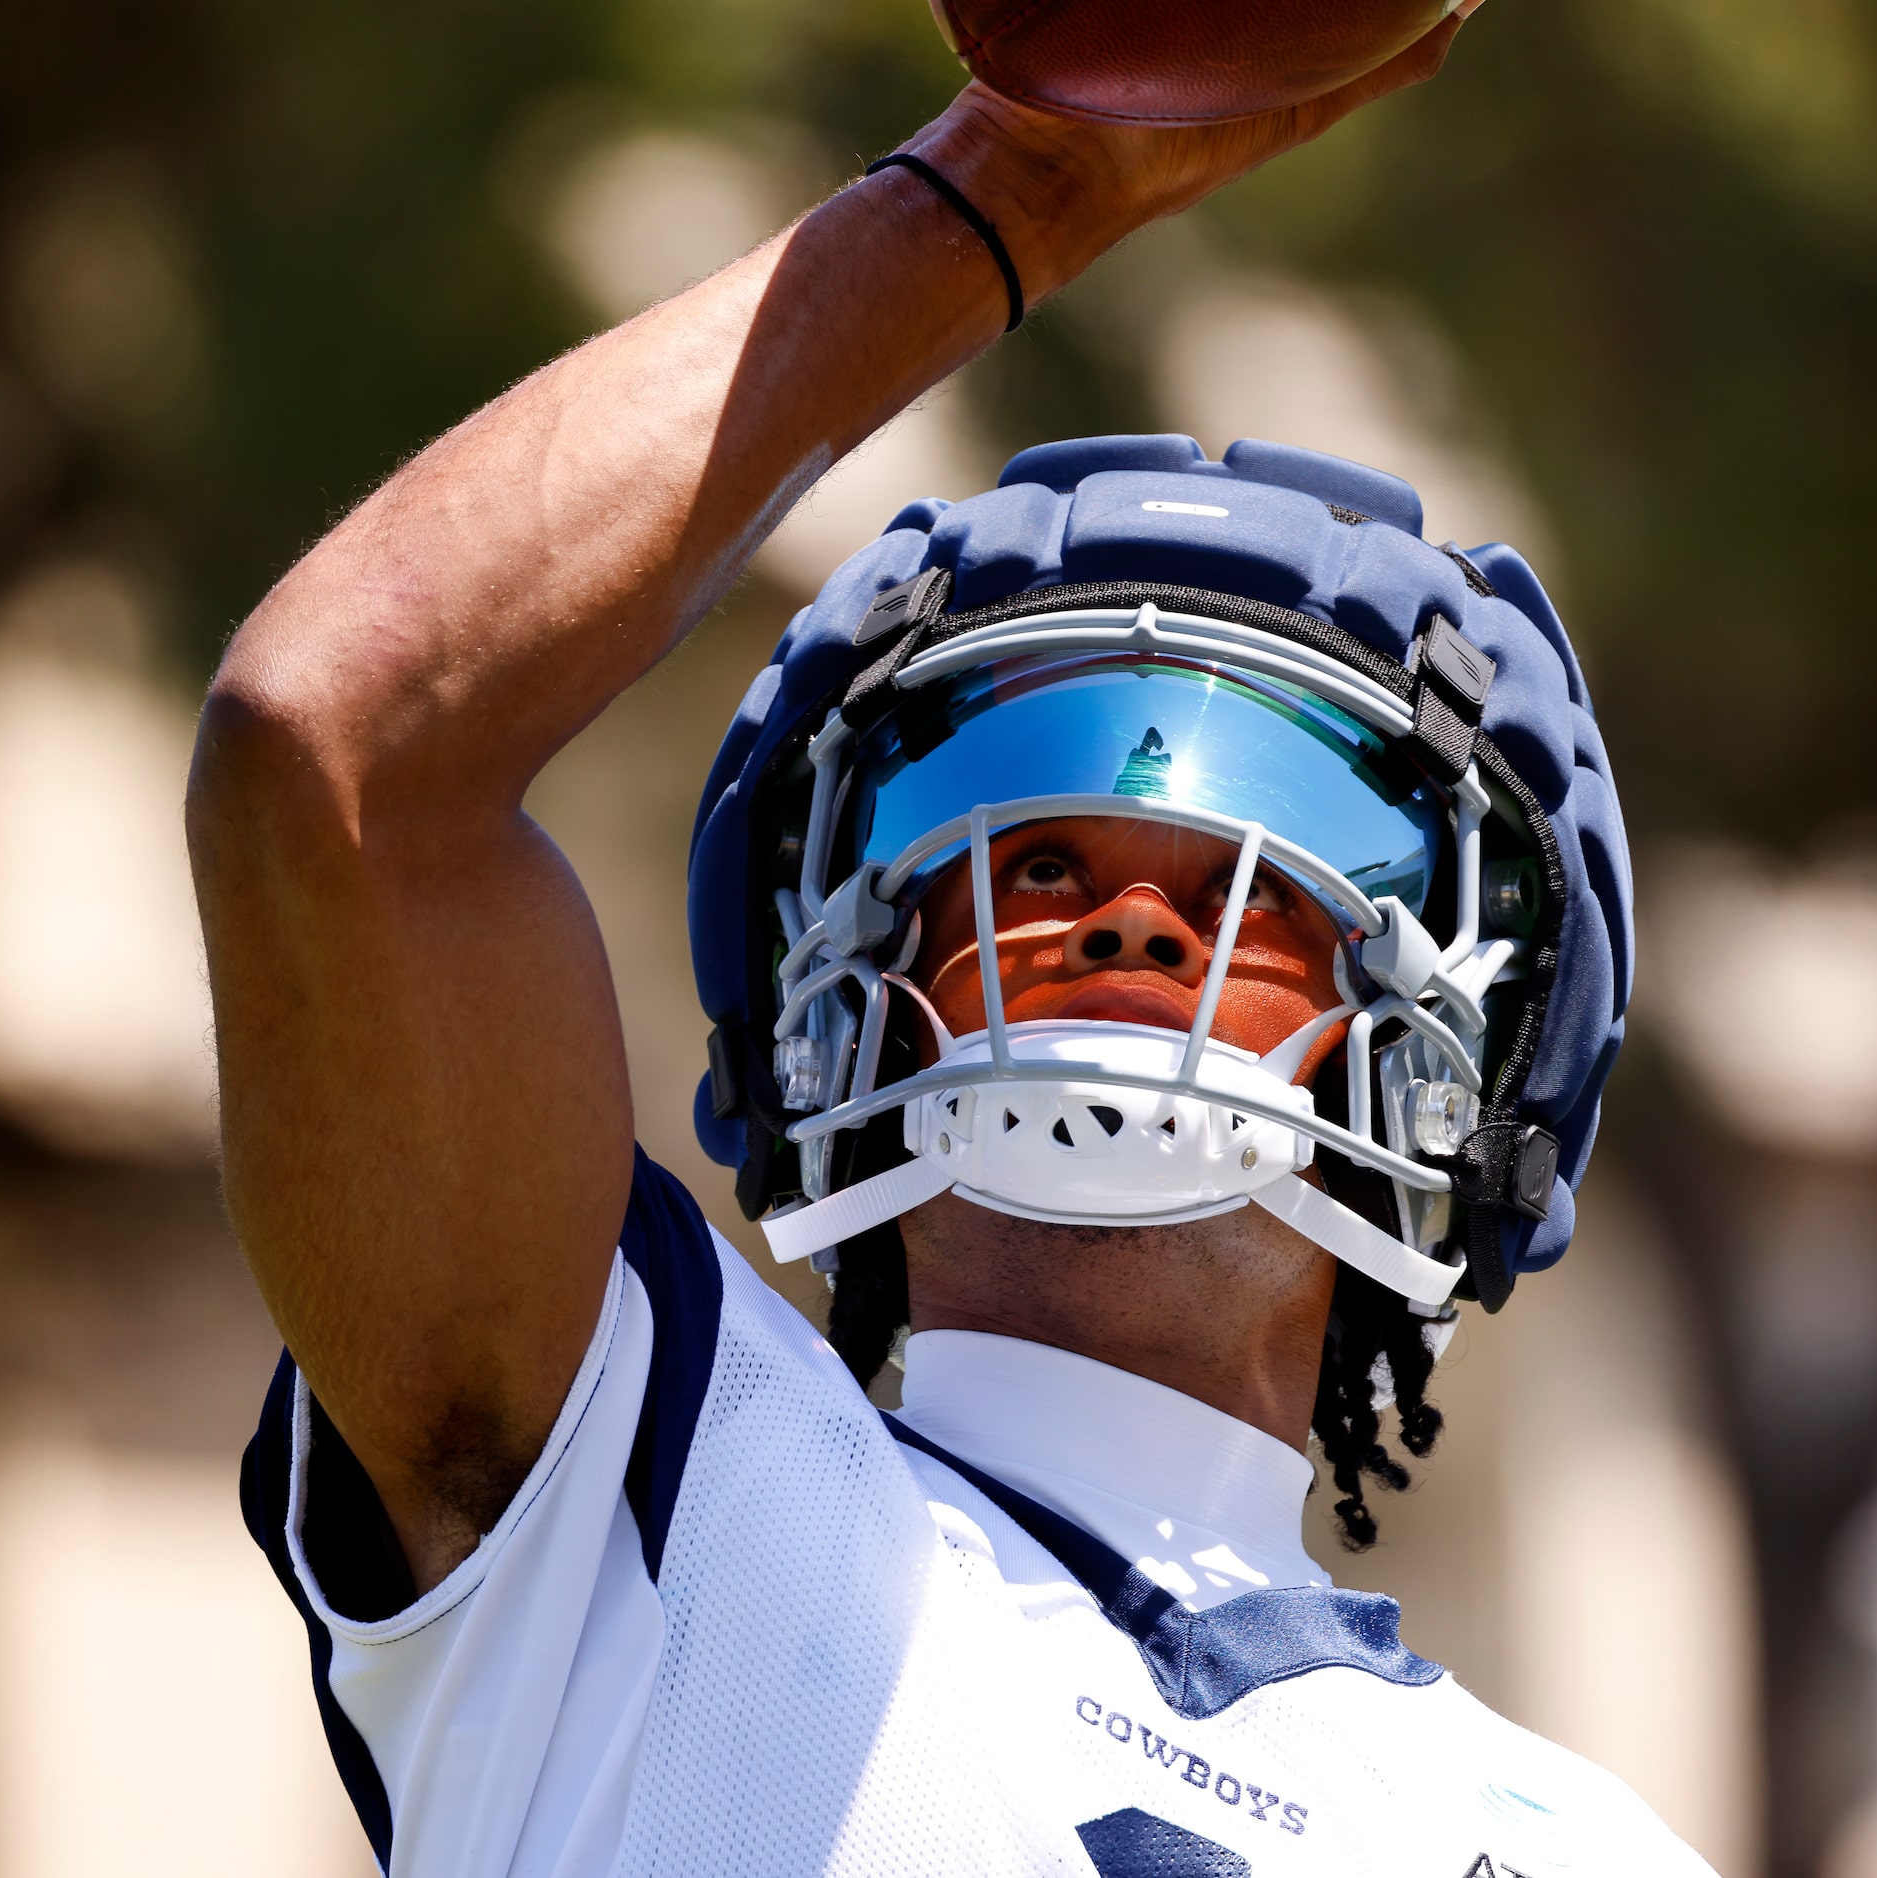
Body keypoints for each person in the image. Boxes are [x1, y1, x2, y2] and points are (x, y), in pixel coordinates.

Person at [190, 20, 1688, 1877]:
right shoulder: (639, 1492)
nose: (1134, 915)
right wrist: (1015, 189)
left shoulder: (1588, 1849)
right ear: (838, 984)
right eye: (1032, 852)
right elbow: (335, 751)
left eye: (1259, 884)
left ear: (1456, 1048)